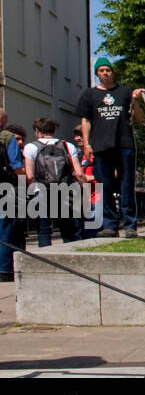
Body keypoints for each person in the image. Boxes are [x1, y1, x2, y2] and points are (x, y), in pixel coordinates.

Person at [77, 58, 145, 239]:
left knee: (126, 185)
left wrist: (137, 101)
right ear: (96, 74)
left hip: (124, 144)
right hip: (101, 145)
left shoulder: (124, 91)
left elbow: (139, 118)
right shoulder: (89, 95)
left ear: (113, 72)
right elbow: (86, 120)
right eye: (101, 70)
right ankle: (109, 225)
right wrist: (87, 144)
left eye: (108, 70)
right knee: (104, 186)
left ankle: (130, 225)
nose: (105, 73)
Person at [24, 117, 90, 247]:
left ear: (37, 130)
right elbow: (79, 173)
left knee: (43, 230)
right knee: (68, 229)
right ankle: (71, 255)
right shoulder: (67, 146)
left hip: (41, 191)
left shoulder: (30, 147)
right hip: (64, 191)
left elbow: (30, 175)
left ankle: (45, 260)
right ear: (53, 130)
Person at [0, 114, 26, 282]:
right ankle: (4, 271)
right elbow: (16, 166)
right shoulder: (8, 137)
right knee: (4, 228)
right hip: (5, 187)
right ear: (3, 121)